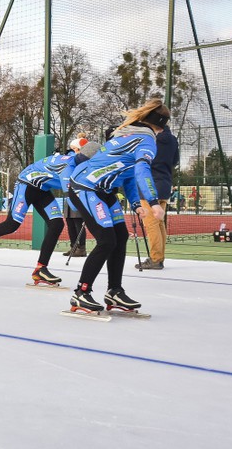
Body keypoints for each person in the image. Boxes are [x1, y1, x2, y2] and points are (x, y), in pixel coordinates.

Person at [67, 99, 169, 313]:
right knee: (106, 240)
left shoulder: (125, 134)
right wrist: (151, 201)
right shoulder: (147, 140)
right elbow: (142, 170)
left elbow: (129, 175)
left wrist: (135, 203)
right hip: (86, 187)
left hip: (103, 190)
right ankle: (81, 292)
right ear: (160, 126)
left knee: (120, 237)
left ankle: (114, 291)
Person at [0, 141, 101, 285]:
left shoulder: (76, 159)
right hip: (26, 184)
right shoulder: (68, 169)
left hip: (42, 188)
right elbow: (72, 200)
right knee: (12, 224)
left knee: (57, 224)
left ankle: (41, 269)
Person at [136, 124, 179, 270]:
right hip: (165, 184)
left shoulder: (150, 140)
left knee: (151, 223)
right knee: (159, 223)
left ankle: (155, 258)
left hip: (149, 184)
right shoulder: (173, 140)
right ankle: (159, 257)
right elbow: (175, 161)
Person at [62, 135, 89, 257]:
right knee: (70, 221)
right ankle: (73, 246)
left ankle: (81, 248)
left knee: (78, 221)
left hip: (78, 192)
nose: (72, 151)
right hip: (69, 192)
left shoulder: (82, 159)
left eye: (74, 149)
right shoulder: (72, 158)